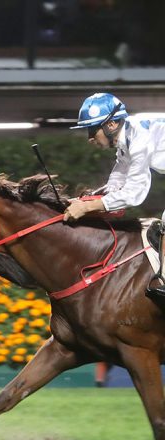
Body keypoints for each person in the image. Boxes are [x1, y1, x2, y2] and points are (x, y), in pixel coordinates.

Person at [65, 92, 165, 304]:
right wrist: (89, 199)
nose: (90, 138)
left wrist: (88, 207)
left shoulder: (139, 140)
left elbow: (135, 193)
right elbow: (118, 178)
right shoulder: (127, 136)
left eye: (92, 129)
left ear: (111, 125)